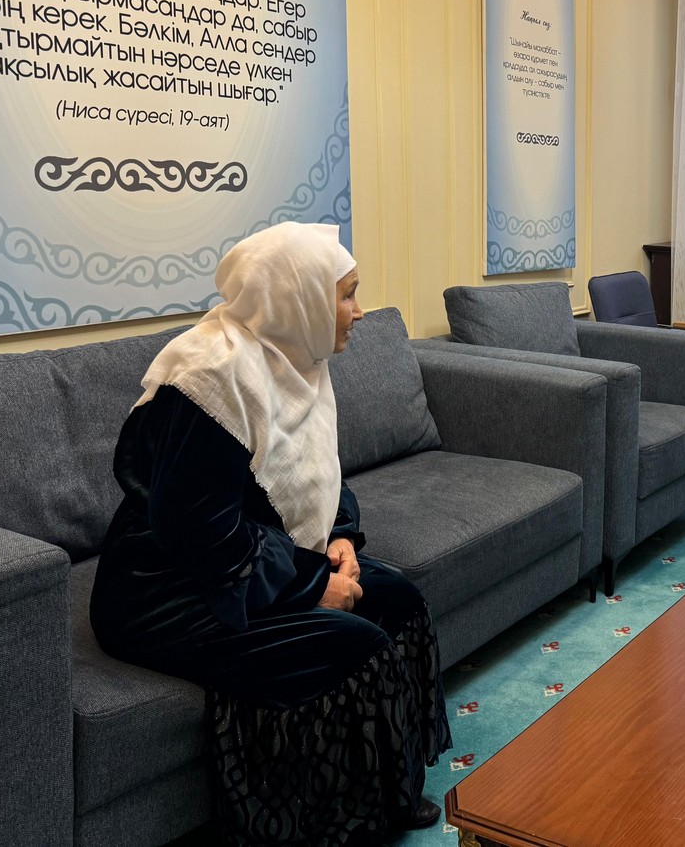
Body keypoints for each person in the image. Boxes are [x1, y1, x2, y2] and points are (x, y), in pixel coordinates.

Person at [90, 221, 452, 844]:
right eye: (347, 295)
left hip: (250, 558)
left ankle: (387, 790)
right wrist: (313, 587)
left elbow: (313, 475)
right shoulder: (210, 375)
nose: (360, 311)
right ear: (298, 296)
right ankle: (340, 821)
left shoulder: (295, 354)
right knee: (352, 646)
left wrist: (339, 538)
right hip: (167, 588)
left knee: (398, 599)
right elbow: (200, 532)